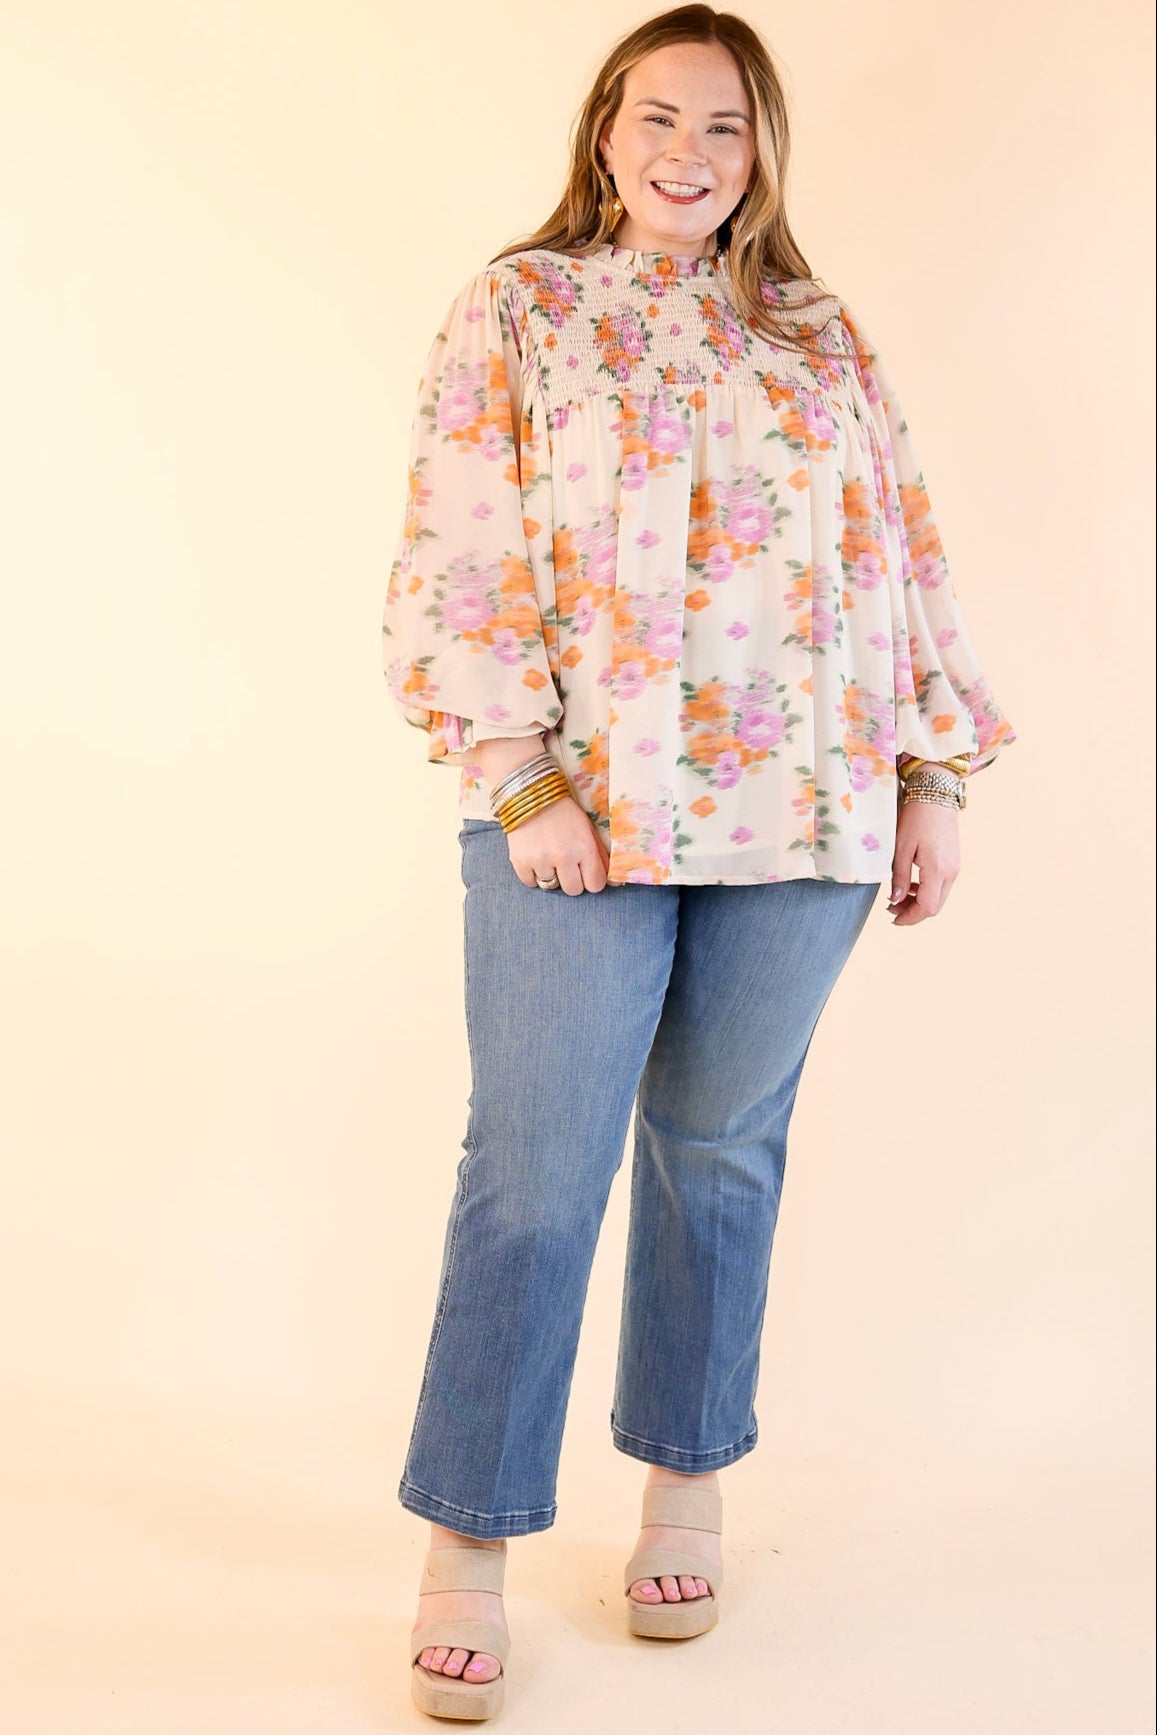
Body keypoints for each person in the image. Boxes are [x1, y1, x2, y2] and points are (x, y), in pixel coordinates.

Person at [382, 4, 1015, 1720]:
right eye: (656, 117)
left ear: (760, 155)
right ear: (604, 131)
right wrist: (520, 779)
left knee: (719, 1154)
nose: (686, 152)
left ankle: (684, 1481)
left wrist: (932, 772)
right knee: (533, 1172)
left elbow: (899, 552)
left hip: (803, 817)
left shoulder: (814, 331)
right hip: (577, 820)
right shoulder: (522, 307)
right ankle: (469, 1538)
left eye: (723, 126)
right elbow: (457, 543)